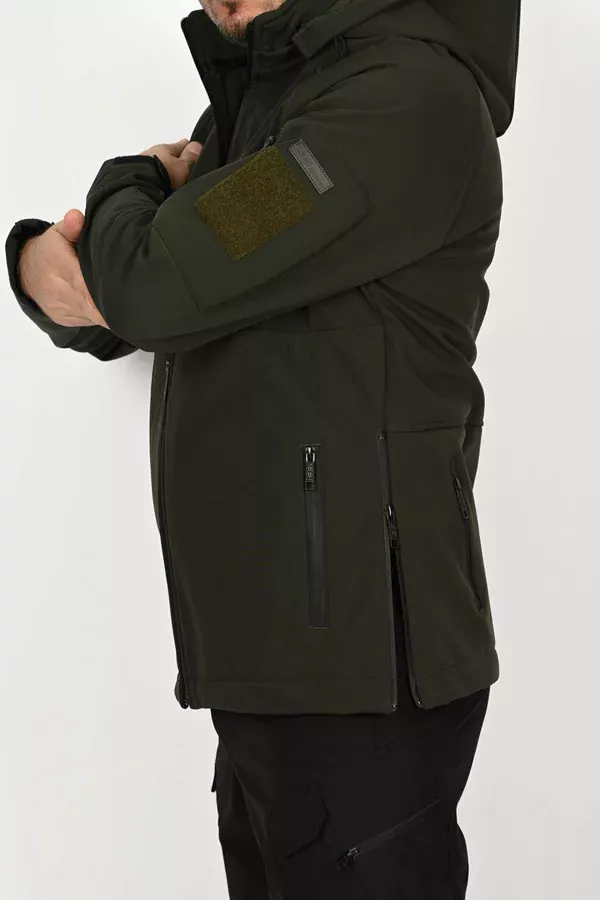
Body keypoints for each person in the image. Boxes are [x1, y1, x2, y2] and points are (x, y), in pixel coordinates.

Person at [5, 0, 521, 896]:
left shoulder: (395, 105)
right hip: (277, 663)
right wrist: (33, 264)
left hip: (358, 678)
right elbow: (140, 302)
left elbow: (155, 283)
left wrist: (130, 178)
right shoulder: (267, 110)